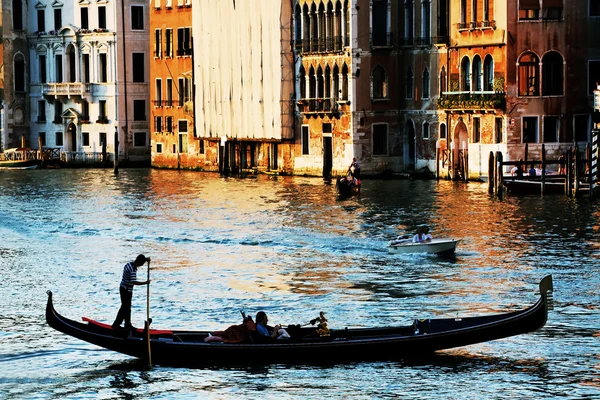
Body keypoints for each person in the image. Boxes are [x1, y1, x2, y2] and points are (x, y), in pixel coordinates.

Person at [112, 254, 151, 330]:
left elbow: (142, 259)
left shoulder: (129, 264)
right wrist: (145, 282)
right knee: (124, 307)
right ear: (138, 261)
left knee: (127, 307)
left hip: (127, 289)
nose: (141, 266)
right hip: (125, 290)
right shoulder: (132, 270)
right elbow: (134, 282)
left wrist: (147, 260)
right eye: (141, 264)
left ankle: (127, 324)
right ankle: (116, 324)